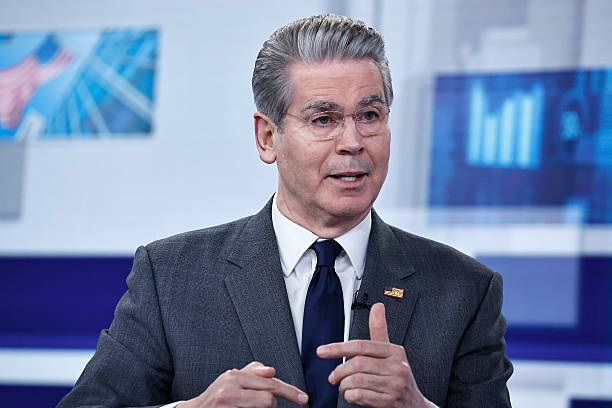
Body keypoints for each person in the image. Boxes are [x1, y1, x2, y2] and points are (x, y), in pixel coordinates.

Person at [57, 14, 513, 408]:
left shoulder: (465, 290)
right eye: (324, 119)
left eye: (369, 116)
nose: (353, 141)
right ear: (267, 138)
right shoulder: (171, 276)